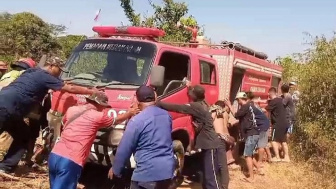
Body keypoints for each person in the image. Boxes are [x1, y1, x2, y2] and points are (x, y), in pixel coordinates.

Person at [0, 56, 98, 174]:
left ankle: (5, 167)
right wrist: (91, 91)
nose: (60, 73)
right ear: (51, 66)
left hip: (10, 107)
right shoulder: (46, 77)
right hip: (8, 107)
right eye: (59, 70)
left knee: (24, 135)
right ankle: (5, 167)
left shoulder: (33, 71)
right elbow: (70, 88)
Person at [49, 92, 139, 189]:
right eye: (103, 107)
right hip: (71, 160)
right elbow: (116, 120)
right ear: (99, 104)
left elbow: (64, 122)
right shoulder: (98, 116)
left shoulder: (72, 109)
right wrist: (129, 113)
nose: (104, 109)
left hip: (55, 155)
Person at [157, 83, 227, 189]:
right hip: (208, 144)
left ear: (194, 95)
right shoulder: (203, 102)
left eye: (190, 92)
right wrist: (189, 87)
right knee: (207, 176)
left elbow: (178, 108)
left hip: (210, 145)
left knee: (211, 178)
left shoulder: (196, 106)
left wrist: (158, 103)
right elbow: (196, 94)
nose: (189, 94)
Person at [109, 85, 175, 189]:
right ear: (155, 98)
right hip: (167, 171)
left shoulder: (137, 121)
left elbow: (124, 149)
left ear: (137, 100)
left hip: (147, 174)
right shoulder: (166, 116)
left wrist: (116, 170)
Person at [0, 58, 37, 162]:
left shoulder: (8, 74)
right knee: (22, 134)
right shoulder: (23, 75)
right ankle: (6, 165)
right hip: (8, 109)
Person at [224, 92, 260, 183]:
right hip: (254, 133)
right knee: (250, 154)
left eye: (238, 100)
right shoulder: (251, 106)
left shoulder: (245, 106)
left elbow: (236, 115)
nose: (238, 101)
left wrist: (229, 105)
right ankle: (259, 169)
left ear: (240, 99)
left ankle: (251, 178)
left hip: (250, 134)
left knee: (247, 155)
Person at [246, 92, 270, 170]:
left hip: (262, 125)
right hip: (263, 124)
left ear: (247, 98)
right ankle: (262, 160)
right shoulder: (254, 104)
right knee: (261, 144)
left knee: (261, 145)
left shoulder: (250, 105)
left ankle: (259, 162)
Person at [266, 87, 290, 162]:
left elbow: (266, 109)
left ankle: (277, 157)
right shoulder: (281, 100)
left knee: (273, 140)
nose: (268, 94)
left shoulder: (273, 101)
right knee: (283, 141)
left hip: (277, 124)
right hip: (285, 123)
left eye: (268, 93)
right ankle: (287, 157)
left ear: (270, 93)